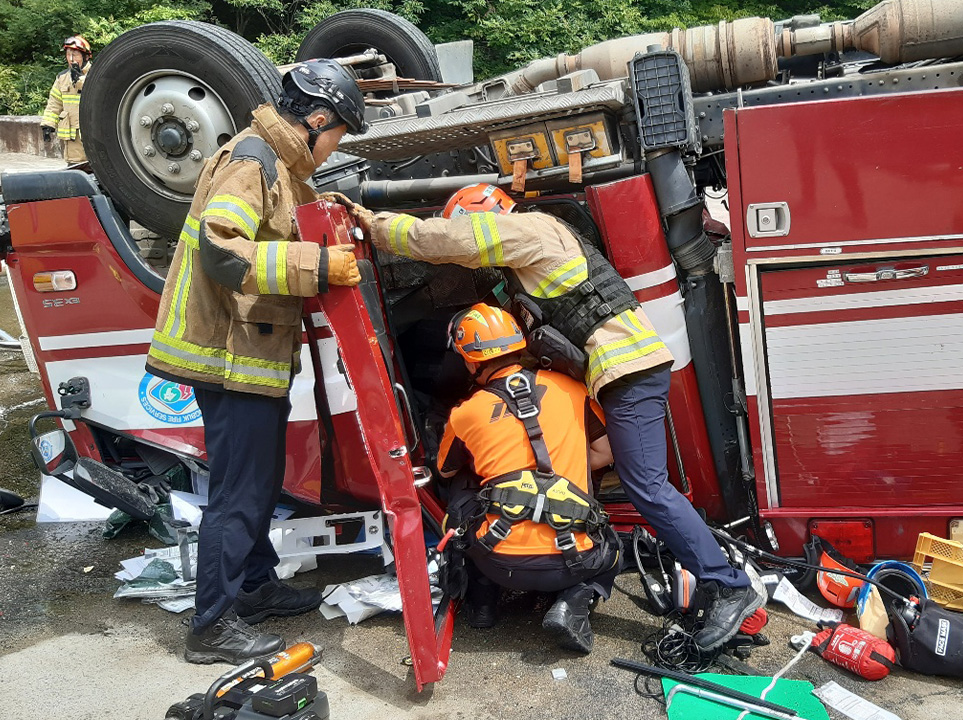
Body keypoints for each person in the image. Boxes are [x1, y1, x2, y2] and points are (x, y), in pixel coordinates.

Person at [349, 183, 762, 651]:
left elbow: (452, 242)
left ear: (484, 216)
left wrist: (374, 225)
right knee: (641, 481)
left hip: (627, 368)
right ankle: (711, 581)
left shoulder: (532, 228)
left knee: (647, 485)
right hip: (624, 371)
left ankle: (728, 587)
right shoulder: (531, 260)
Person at [144, 58, 367, 664]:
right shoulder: (253, 159)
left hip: (246, 356)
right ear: (318, 120)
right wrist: (316, 267)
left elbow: (276, 234)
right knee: (239, 494)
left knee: (260, 484)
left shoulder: (278, 164)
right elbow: (223, 252)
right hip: (224, 356)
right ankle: (211, 627)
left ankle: (253, 586)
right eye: (339, 134)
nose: (334, 147)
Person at [437, 303, 619, 652]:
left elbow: (444, 469)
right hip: (573, 562)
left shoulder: (465, 413)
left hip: (498, 562)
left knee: (462, 487)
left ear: (471, 360)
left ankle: (483, 602)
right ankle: (573, 601)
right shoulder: (572, 389)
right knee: (613, 548)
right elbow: (604, 454)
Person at [40, 35, 92, 165]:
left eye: (75, 55)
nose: (71, 59)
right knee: (76, 168)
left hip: (93, 134)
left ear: (86, 57)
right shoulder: (62, 78)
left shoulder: (96, 74)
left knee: (97, 169)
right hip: (72, 137)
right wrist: (48, 124)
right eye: (68, 55)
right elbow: (54, 104)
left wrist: (80, 80)